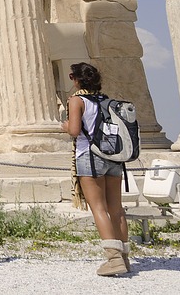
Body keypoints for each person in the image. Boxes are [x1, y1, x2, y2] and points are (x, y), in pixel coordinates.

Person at [61, 62, 130, 276]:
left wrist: (64, 126)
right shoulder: (106, 99)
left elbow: (74, 130)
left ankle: (114, 259)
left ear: (76, 79)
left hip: (89, 157)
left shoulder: (76, 100)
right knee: (116, 210)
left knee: (99, 208)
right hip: (113, 156)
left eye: (72, 76)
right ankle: (125, 259)